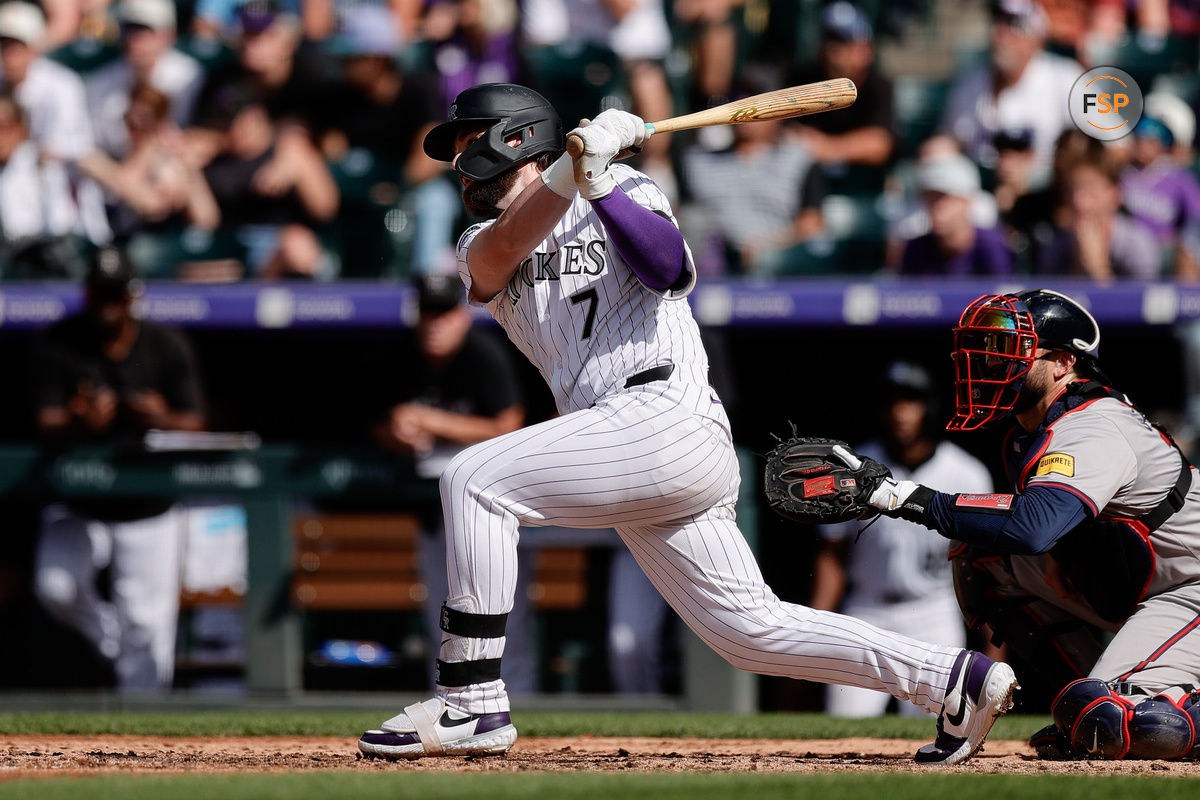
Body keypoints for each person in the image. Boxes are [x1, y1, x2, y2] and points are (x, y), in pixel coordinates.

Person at [356, 82, 1018, 765]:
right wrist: (571, 172)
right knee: (751, 633)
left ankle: (470, 699)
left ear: (512, 138)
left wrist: (603, 180)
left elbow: (668, 268)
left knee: (473, 477)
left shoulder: (627, 187)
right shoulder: (478, 241)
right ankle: (952, 680)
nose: (459, 163)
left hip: (662, 415)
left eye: (468, 143)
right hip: (620, 441)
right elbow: (503, 253)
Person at [839, 289, 1200, 760]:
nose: (991, 361)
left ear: (1063, 363)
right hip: (1150, 585)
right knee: (983, 558)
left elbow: (1033, 527)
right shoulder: (1029, 435)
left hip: (1189, 589)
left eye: (1012, 349)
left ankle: (1119, 702)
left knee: (1114, 723)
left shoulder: (1091, 427)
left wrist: (903, 497)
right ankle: (1096, 695)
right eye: (990, 348)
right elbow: (1036, 539)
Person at [31, 246, 207, 692]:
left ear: (132, 296)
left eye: (115, 293)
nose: (106, 304)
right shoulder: (59, 342)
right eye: (98, 293)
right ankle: (113, 642)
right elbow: (42, 419)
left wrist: (156, 416)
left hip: (148, 503)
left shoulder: (164, 344)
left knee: (148, 627)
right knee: (54, 586)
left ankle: (146, 732)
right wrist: (80, 421)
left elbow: (195, 421)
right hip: (80, 502)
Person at [370, 274, 527, 688]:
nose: (435, 322)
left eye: (444, 312)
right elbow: (376, 426)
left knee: (506, 615)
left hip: (496, 509)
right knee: (441, 614)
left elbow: (510, 426)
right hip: (433, 511)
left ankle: (522, 707)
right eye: (427, 312)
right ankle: (448, 698)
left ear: (461, 316)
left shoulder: (483, 354)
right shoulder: (400, 356)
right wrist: (398, 432)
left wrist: (430, 420)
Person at [811, 362, 993, 718]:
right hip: (867, 612)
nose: (900, 413)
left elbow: (981, 565)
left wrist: (992, 645)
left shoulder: (966, 472)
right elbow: (832, 555)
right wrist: (815, 627)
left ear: (930, 407)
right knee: (845, 722)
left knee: (939, 727)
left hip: (933, 614)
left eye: (911, 401)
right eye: (893, 402)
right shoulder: (856, 466)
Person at [320, 4, 458, 274]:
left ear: (378, 59)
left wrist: (395, 189)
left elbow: (427, 159)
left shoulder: (418, 86)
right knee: (348, 167)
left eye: (351, 58)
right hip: (364, 181)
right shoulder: (341, 93)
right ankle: (330, 277)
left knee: (436, 200)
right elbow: (332, 152)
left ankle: (426, 283)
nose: (343, 65)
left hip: (410, 183)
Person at [201, 84, 339, 278]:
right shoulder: (215, 158)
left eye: (236, 120)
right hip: (234, 246)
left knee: (296, 244)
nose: (231, 129)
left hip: (289, 245)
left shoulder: (290, 148)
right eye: (224, 122)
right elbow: (207, 223)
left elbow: (326, 208)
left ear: (257, 115)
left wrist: (298, 166)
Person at [939, 0, 1077, 188]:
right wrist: (940, 150)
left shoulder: (1066, 78)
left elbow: (1114, 144)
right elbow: (952, 139)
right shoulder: (970, 83)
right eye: (997, 21)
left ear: (1036, 38)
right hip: (981, 196)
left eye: (1012, 24)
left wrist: (1047, 167)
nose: (999, 32)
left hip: (1048, 197)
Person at [79, 83, 221, 243]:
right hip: (122, 235)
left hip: (161, 241)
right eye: (129, 122)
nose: (134, 131)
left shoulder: (172, 159)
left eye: (144, 124)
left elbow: (204, 218)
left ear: (160, 123)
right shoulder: (122, 151)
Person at [0, 92, 103, 278]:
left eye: (4, 127)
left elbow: (60, 224)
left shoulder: (42, 161)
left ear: (22, 127)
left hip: (54, 255)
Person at [86, 0, 205, 160]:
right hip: (114, 167)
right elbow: (93, 146)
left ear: (168, 35)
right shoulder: (101, 81)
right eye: (129, 28)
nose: (134, 38)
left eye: (144, 30)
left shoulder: (190, 77)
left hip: (170, 164)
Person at [786, 1, 894, 168]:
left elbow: (880, 144)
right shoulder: (802, 78)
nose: (833, 48)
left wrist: (827, 147)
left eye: (843, 40)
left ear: (866, 49)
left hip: (860, 183)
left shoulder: (878, 85)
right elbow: (785, 131)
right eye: (829, 38)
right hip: (809, 180)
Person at [1034, 151, 1161, 279]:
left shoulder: (1138, 245)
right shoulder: (1054, 245)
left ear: (1115, 193)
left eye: (1091, 190)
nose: (1078, 202)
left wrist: (1096, 266)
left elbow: (1139, 297)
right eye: (1071, 190)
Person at [898, 153, 1014, 276]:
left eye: (945, 198)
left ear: (966, 201)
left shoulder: (992, 246)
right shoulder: (915, 249)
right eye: (930, 198)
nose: (936, 207)